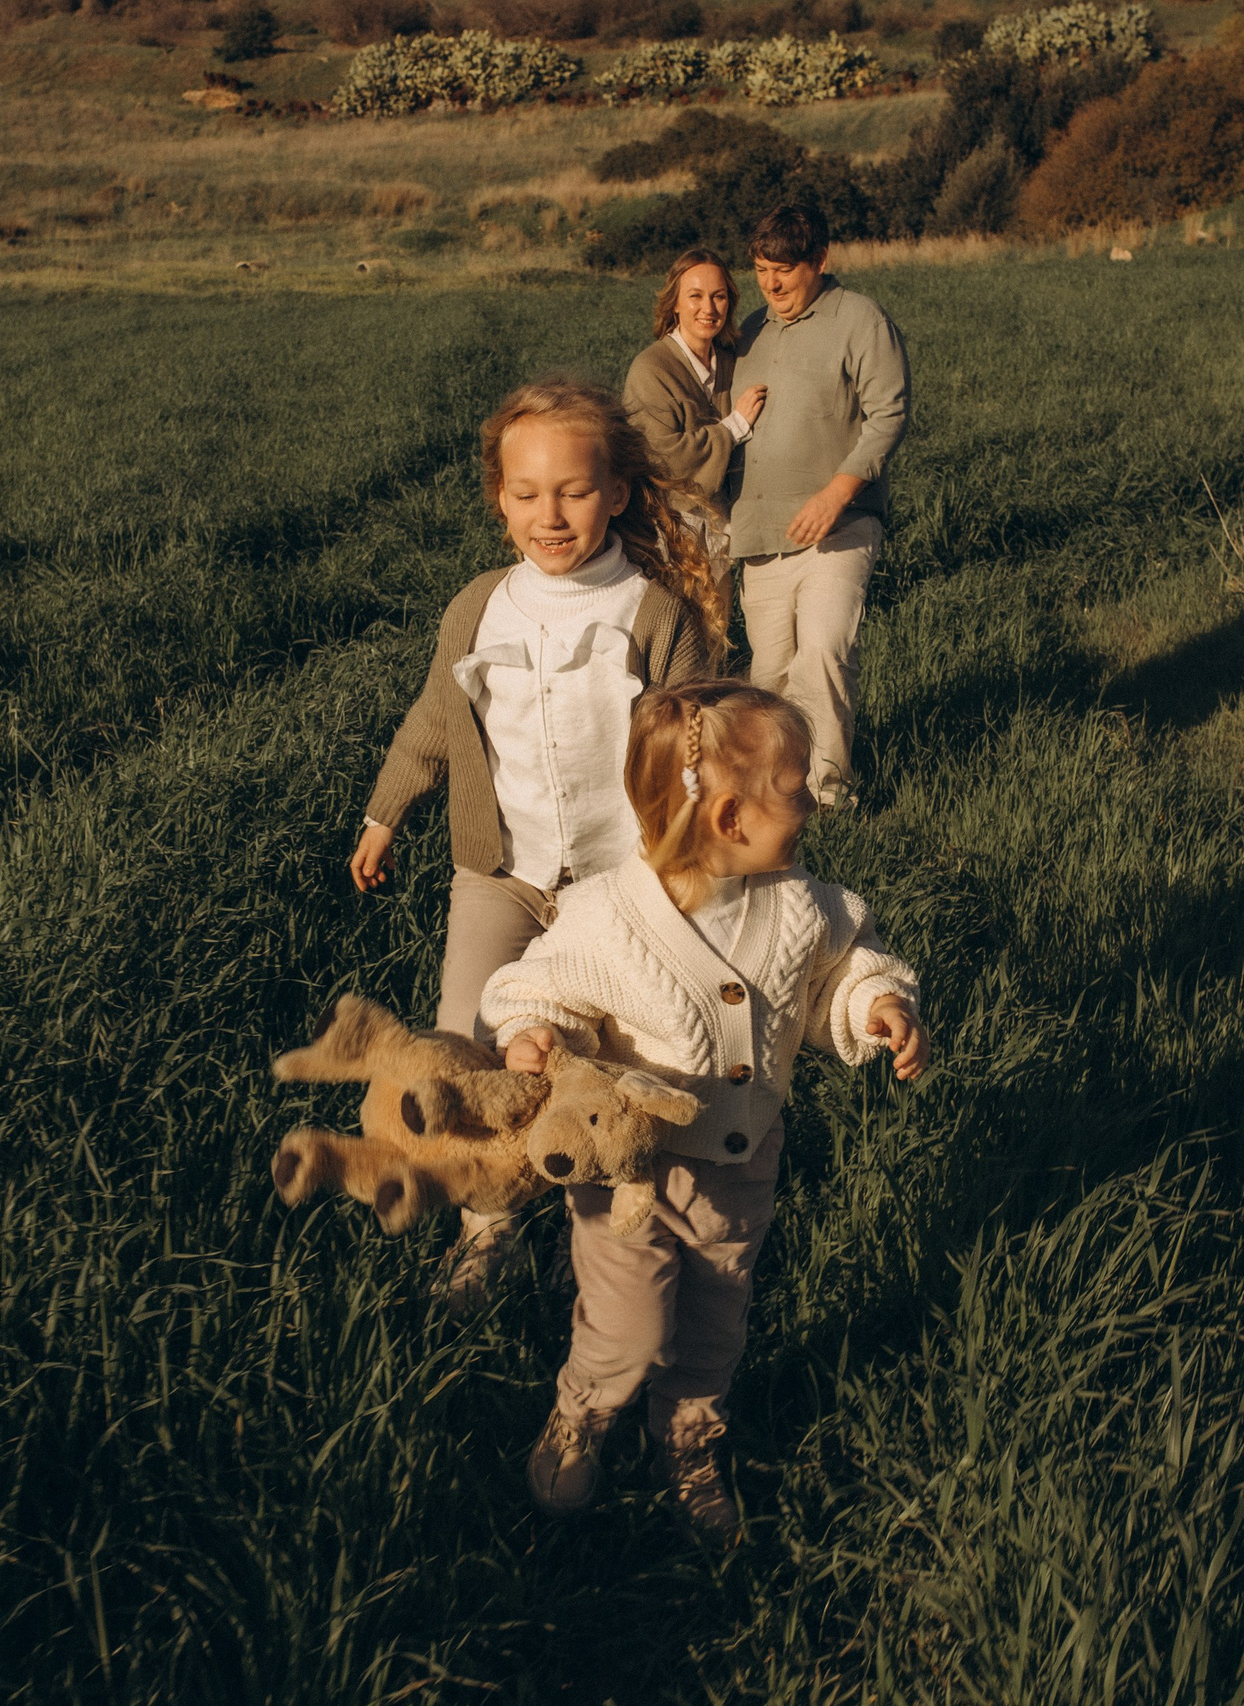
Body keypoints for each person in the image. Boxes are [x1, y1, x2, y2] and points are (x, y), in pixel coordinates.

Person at [481, 680, 926, 1535]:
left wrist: (876, 1004)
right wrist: (531, 1033)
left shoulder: (802, 906)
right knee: (631, 1325)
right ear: (730, 818)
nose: (808, 809)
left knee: (719, 1313)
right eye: (795, 792)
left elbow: (845, 966)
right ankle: (585, 1408)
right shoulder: (607, 919)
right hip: (629, 1176)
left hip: (741, 1166)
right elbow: (534, 984)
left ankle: (688, 1436)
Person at [350, 378, 729, 1312]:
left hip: (619, 883)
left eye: (572, 491)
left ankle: (603, 1234)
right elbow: (434, 720)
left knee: (605, 1056)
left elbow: (702, 752)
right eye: (525, 494)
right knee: (475, 1046)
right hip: (501, 875)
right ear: (500, 500)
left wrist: (700, 868)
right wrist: (384, 811)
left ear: (618, 495)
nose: (548, 514)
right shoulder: (479, 609)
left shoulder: (654, 616)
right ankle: (490, 1236)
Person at [728, 204, 910, 810]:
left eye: (785, 269)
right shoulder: (751, 331)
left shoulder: (860, 319)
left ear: (821, 261)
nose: (772, 284)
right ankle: (774, 798)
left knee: (825, 651)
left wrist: (838, 492)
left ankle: (827, 797)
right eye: (761, 270)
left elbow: (889, 412)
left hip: (842, 526)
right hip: (759, 532)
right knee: (771, 676)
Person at [623, 247, 770, 517]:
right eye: (695, 296)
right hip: (670, 527)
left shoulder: (731, 362)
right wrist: (734, 426)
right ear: (675, 303)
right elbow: (663, 460)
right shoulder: (651, 369)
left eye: (719, 297)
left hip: (726, 526)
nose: (709, 308)